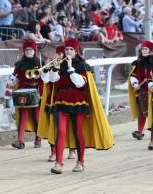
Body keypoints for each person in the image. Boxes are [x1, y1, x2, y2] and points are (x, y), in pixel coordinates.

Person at [48, 38, 114, 174]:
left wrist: (71, 69)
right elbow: (53, 80)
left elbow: (81, 84)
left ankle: (80, 162)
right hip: (60, 99)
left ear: (76, 51)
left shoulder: (82, 65)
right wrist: (55, 69)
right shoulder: (60, 64)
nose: (68, 52)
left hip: (77, 100)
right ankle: (58, 163)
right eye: (67, 49)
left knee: (78, 132)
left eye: (71, 49)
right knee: (60, 131)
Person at [38, 45, 76, 162]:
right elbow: (45, 80)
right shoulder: (53, 65)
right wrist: (46, 69)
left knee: (69, 126)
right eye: (58, 54)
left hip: (67, 98)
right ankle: (53, 152)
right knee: (53, 127)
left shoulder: (68, 65)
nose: (59, 56)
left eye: (61, 54)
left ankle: (72, 149)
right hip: (52, 100)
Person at [9, 40, 44, 149]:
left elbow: (44, 79)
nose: (28, 51)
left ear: (34, 50)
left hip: (35, 91)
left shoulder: (40, 63)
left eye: (30, 49)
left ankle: (38, 138)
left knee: (36, 116)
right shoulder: (19, 64)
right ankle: (20, 141)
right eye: (26, 49)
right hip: (23, 90)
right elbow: (14, 76)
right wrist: (11, 81)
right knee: (23, 115)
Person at [128, 41, 153, 140]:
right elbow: (133, 75)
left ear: (150, 51)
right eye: (143, 49)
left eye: (146, 49)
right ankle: (139, 132)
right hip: (141, 91)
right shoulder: (138, 63)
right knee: (142, 112)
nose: (144, 51)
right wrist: (135, 84)